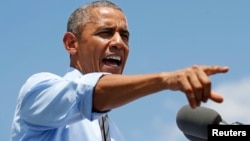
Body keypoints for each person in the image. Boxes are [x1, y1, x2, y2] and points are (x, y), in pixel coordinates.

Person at [10, 0, 229, 141]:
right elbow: (88, 92)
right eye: (106, 33)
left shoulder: (114, 134)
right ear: (71, 43)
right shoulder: (39, 92)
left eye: (124, 36)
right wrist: (167, 79)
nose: (119, 43)